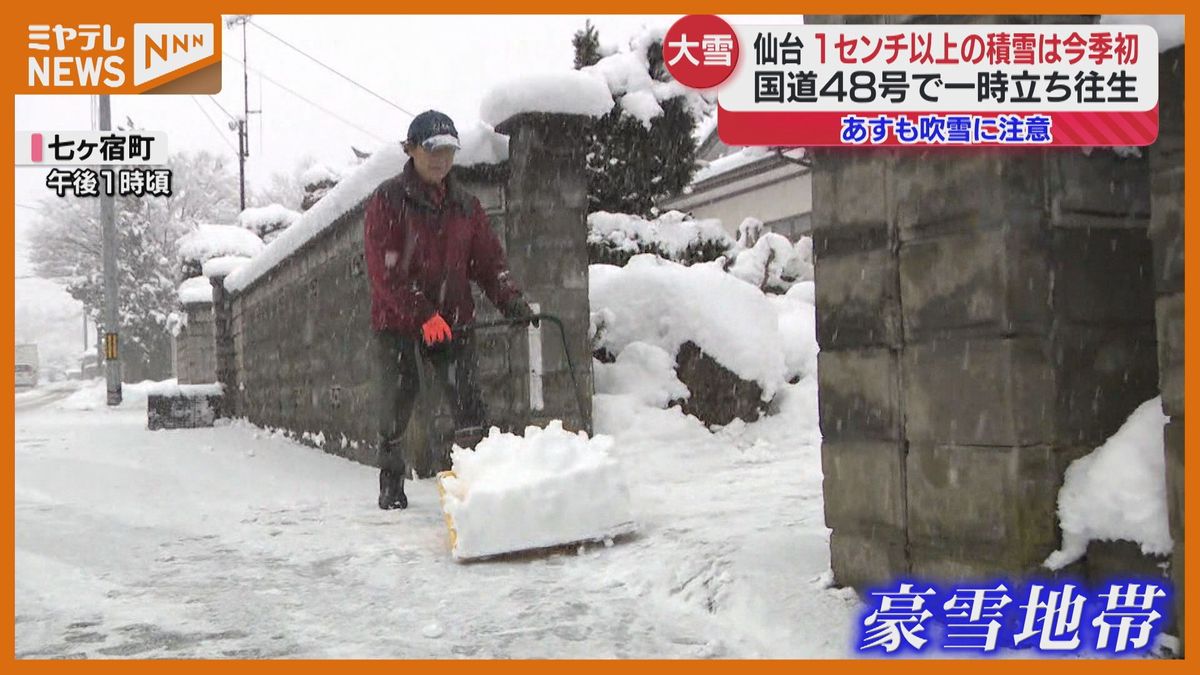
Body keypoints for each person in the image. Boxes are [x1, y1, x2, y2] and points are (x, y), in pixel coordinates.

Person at [364, 110, 536, 510]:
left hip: (454, 322)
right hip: (399, 324)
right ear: (411, 150)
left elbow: (489, 262)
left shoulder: (464, 206)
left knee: (469, 405)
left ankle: (476, 488)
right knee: (396, 406)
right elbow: (383, 271)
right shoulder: (388, 200)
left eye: (448, 151)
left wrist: (510, 299)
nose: (441, 159)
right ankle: (392, 481)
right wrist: (423, 314)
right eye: (432, 149)